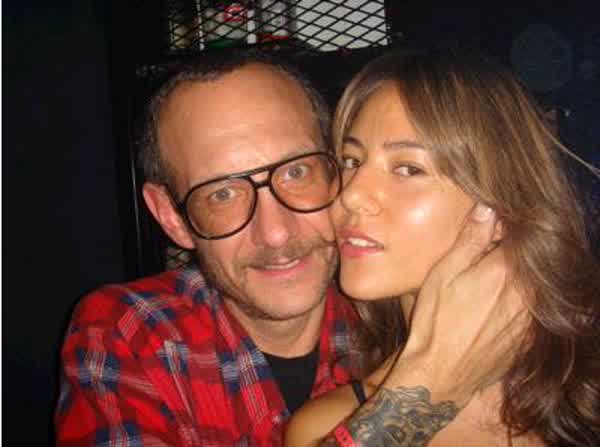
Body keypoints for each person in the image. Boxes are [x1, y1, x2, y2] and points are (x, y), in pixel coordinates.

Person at [55, 49, 525, 446]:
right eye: (222, 194)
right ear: (171, 217)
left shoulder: (394, 293)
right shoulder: (131, 335)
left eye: (297, 172)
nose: (276, 233)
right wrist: (428, 387)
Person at [285, 48, 600, 446]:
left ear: (501, 205)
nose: (350, 195)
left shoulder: (586, 386)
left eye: (408, 168)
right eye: (351, 161)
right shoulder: (331, 427)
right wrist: (426, 390)